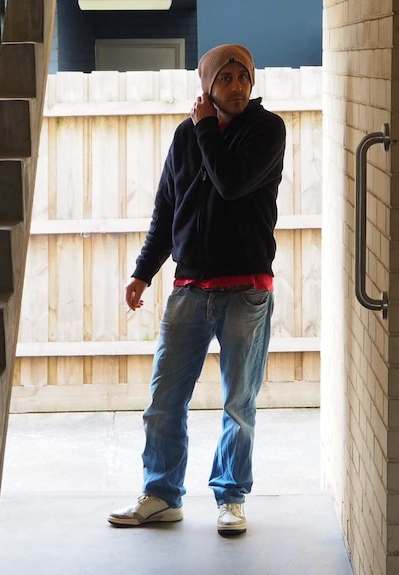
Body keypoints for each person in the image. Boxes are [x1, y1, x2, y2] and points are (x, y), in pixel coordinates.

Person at [106, 44, 286, 537]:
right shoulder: (186, 136)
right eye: (225, 78)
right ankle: (161, 495)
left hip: (246, 290)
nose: (236, 87)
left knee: (237, 403)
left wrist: (205, 126)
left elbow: (231, 183)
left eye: (243, 78)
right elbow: (168, 209)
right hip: (189, 287)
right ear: (207, 85)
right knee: (164, 400)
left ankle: (231, 498)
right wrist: (143, 272)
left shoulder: (267, 131)